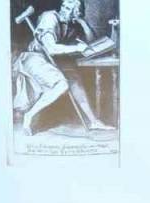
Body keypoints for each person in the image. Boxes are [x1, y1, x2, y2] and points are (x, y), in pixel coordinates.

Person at [12, 0, 115, 136]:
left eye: (72, 10)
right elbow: (51, 48)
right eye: (65, 7)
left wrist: (82, 21)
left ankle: (93, 121)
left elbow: (89, 41)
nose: (65, 11)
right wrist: (76, 48)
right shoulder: (50, 18)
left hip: (50, 61)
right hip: (34, 58)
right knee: (61, 84)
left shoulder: (71, 25)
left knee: (74, 79)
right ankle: (29, 116)